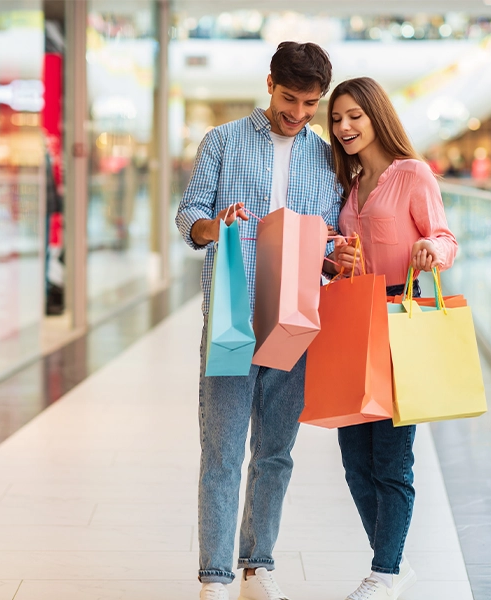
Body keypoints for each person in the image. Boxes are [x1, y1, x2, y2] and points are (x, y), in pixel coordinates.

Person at [175, 42, 340, 600]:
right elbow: (188, 215)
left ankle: (257, 564)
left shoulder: (324, 157)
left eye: (310, 103)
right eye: (289, 98)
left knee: (274, 453)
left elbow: (326, 244)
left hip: (295, 320)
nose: (297, 113)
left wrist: (336, 255)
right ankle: (214, 576)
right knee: (221, 452)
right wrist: (212, 225)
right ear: (269, 83)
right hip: (231, 316)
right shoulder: (221, 141)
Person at [325, 77, 458, 600]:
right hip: (352, 321)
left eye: (354, 115)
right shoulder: (351, 183)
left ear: (377, 115)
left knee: (392, 459)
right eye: (336, 119)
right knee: (354, 458)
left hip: (399, 319)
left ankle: (382, 574)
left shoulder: (413, 174)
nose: (344, 127)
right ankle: (394, 564)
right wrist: (338, 256)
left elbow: (444, 236)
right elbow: (342, 253)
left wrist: (430, 248)